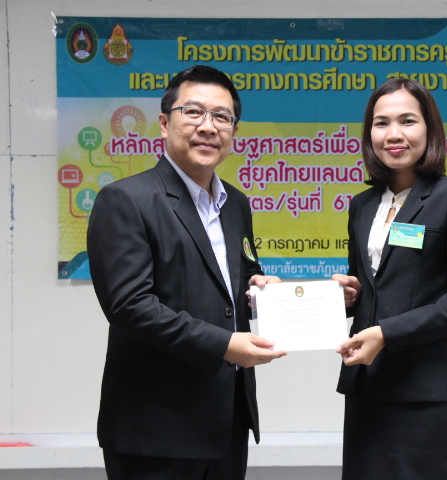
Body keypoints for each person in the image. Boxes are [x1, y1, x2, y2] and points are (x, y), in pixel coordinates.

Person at [87, 65, 287, 480]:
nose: (208, 127)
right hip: (156, 430)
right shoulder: (125, 199)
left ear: (234, 131)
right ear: (164, 123)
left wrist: (259, 287)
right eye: (193, 112)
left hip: (226, 421)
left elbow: (237, 277)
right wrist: (224, 344)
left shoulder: (235, 203)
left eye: (222, 117)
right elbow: (129, 306)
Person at [333, 78, 447, 480]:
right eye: (381, 123)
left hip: (427, 394)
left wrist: (387, 334)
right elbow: (373, 284)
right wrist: (350, 296)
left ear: (429, 129)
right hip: (366, 387)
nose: (393, 134)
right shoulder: (362, 205)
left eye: (407, 121)